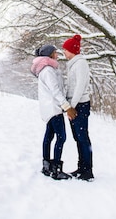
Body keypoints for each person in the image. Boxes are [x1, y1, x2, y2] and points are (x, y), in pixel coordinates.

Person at [31, 44, 77, 180]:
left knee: (49, 136)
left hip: (49, 108)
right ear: (50, 54)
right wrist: (67, 106)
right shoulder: (48, 70)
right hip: (54, 108)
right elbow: (55, 90)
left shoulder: (45, 70)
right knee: (61, 137)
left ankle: (46, 166)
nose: (57, 55)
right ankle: (56, 170)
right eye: (55, 53)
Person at [62, 34, 94, 181]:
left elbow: (80, 86)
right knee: (78, 138)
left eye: (65, 50)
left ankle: (87, 171)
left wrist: (72, 107)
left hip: (80, 105)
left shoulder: (80, 63)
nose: (64, 53)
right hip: (74, 105)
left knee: (83, 138)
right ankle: (81, 168)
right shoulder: (73, 64)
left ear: (72, 50)